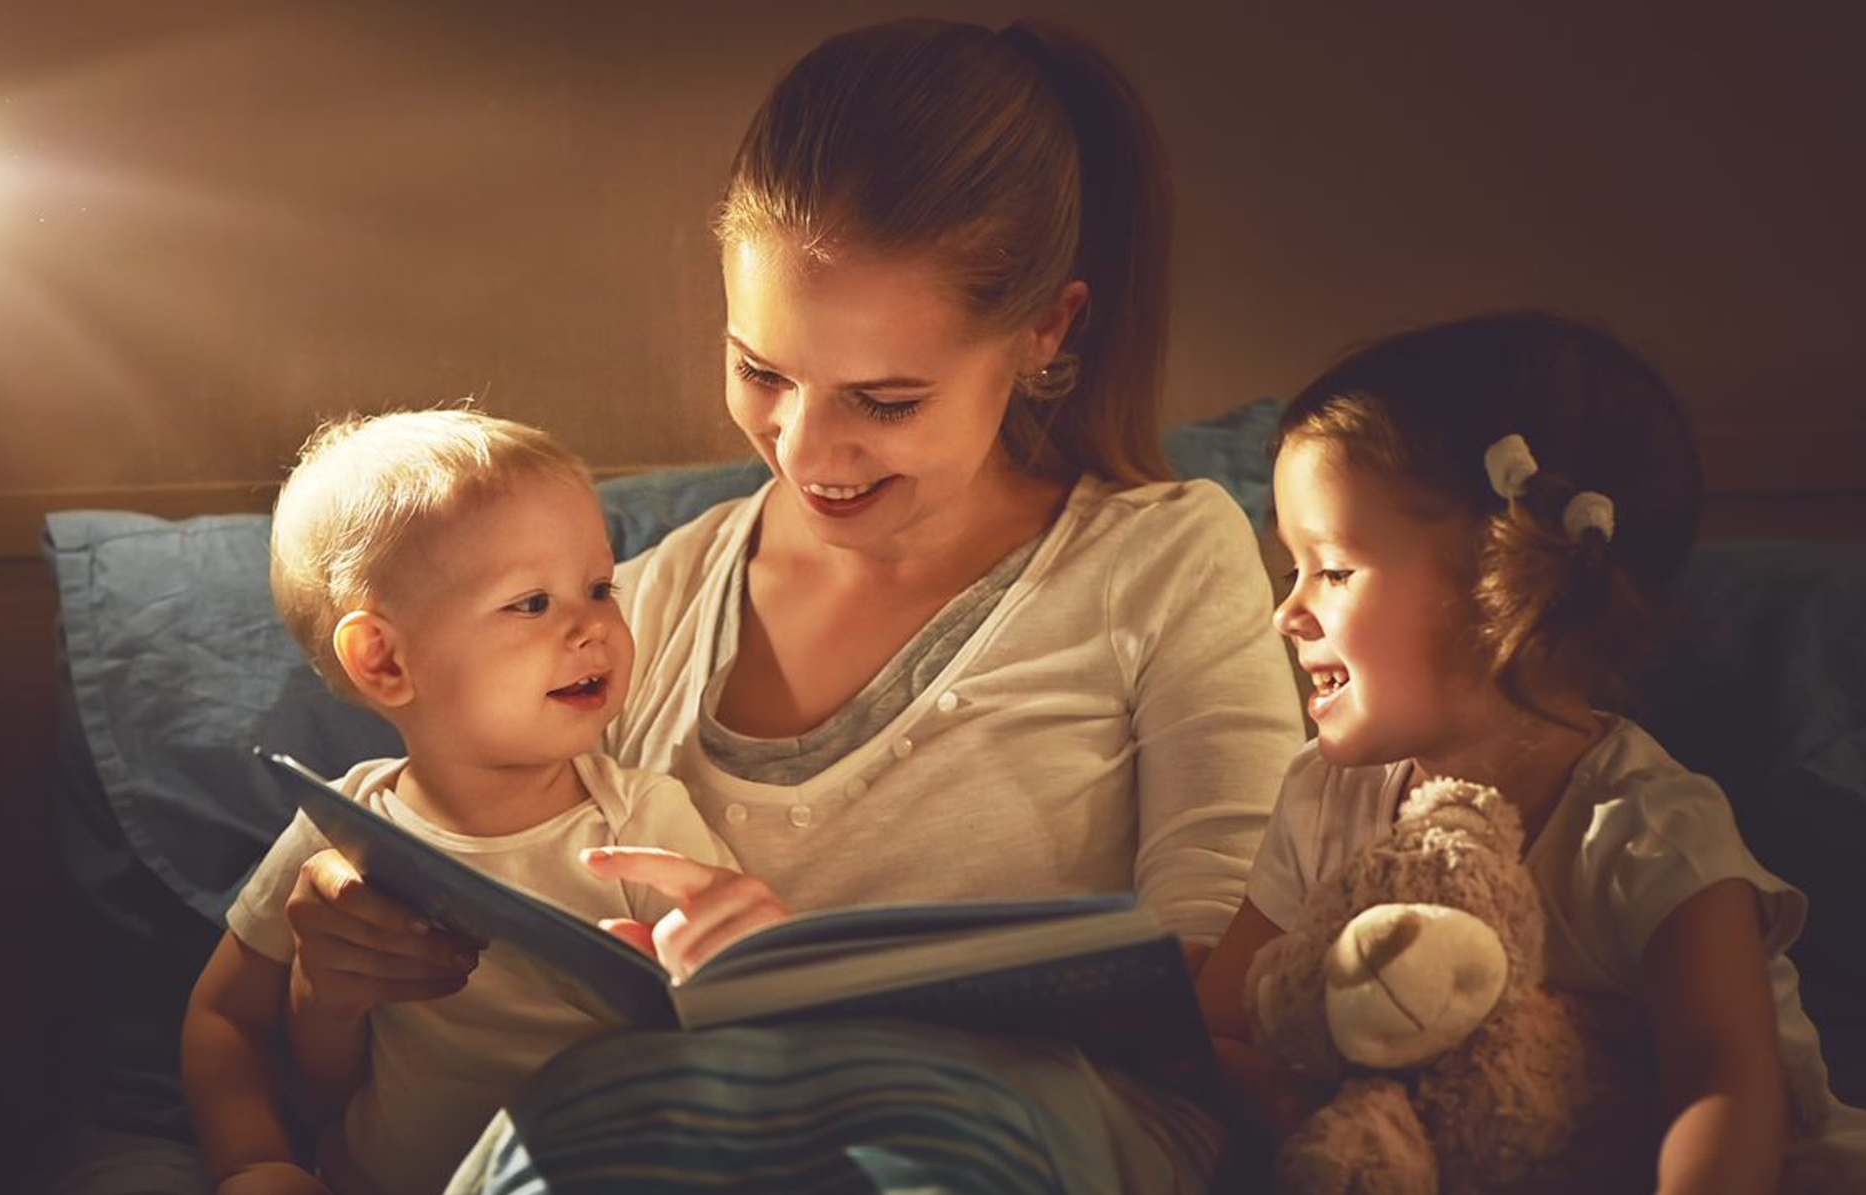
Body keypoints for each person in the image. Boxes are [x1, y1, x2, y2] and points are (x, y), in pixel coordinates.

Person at [288, 17, 1307, 1193]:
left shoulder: (1161, 559)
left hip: (1012, 1141)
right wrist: (347, 952)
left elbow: (1232, 992)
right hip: (672, 1135)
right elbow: (448, 1027)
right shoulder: (640, 608)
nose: (805, 448)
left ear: (1045, 333)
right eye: (763, 372)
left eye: (884, 398)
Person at [1197, 311, 1866, 1194]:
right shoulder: (1322, 799)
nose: (1287, 611)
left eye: (1334, 570)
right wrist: (1293, 1111)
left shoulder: (1647, 829)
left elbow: (1724, 1087)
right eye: (1288, 568)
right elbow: (1220, 1021)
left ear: (1500, 583)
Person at [179, 409, 736, 1195]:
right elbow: (224, 1018)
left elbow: (748, 1017)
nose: (594, 627)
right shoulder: (341, 828)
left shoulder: (642, 825)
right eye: (530, 602)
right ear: (383, 658)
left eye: (598, 586)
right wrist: (253, 1160)